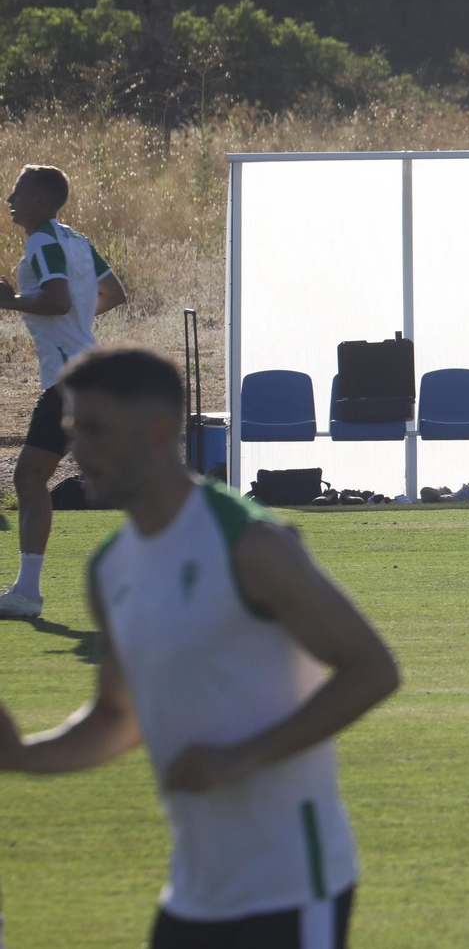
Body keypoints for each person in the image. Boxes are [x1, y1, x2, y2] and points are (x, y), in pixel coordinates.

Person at [0, 347, 401, 947]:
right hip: (192, 896)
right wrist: (23, 755)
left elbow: (372, 670)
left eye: (93, 428)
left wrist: (240, 757)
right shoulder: (109, 569)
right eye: (69, 431)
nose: (75, 451)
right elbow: (117, 716)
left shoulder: (251, 542)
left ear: (159, 431)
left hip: (292, 890)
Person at [0, 164, 127, 619]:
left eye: (17, 190)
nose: (10, 198)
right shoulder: (76, 239)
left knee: (30, 478)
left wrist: (11, 302)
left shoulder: (42, 241)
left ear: (39, 200)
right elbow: (113, 292)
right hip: (90, 371)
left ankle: (28, 594)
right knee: (121, 478)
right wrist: (77, 326)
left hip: (68, 378)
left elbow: (56, 299)